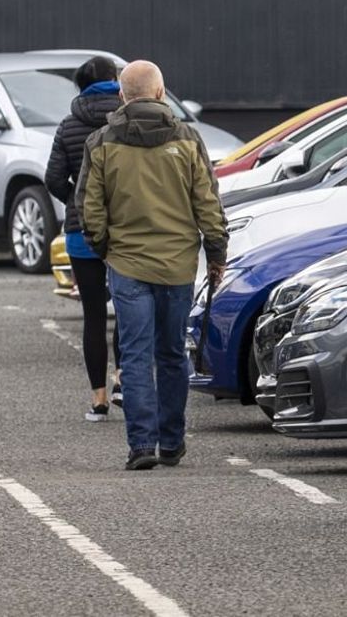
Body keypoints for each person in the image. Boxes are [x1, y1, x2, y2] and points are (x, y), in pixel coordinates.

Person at [78, 60, 227, 470]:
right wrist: (216, 253)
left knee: (136, 355)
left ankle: (141, 445)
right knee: (172, 354)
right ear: (161, 93)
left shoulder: (102, 142)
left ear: (123, 96)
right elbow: (207, 204)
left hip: (127, 263)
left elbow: (89, 207)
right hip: (178, 264)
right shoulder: (188, 139)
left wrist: (105, 246)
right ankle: (172, 441)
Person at [44, 56, 124, 421]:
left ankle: (98, 400)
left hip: (81, 232)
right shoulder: (127, 119)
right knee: (128, 309)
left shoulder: (68, 124)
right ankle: (124, 379)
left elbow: (54, 178)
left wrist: (77, 202)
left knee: (93, 315)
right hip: (126, 229)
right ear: (114, 79)